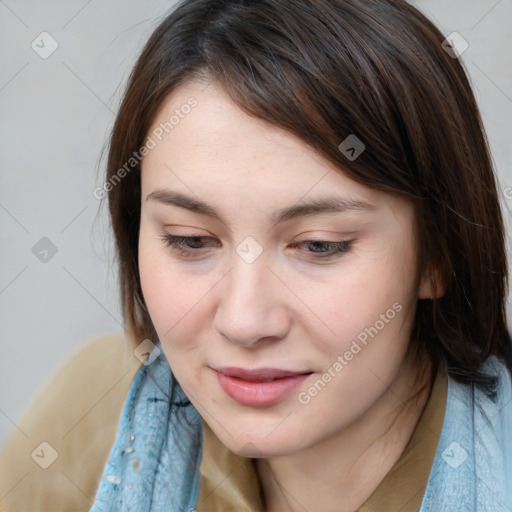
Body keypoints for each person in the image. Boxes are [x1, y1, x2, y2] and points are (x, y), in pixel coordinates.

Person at [1, 0, 511, 510]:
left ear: (438, 253)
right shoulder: (92, 410)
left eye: (319, 245)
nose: (244, 322)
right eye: (190, 240)